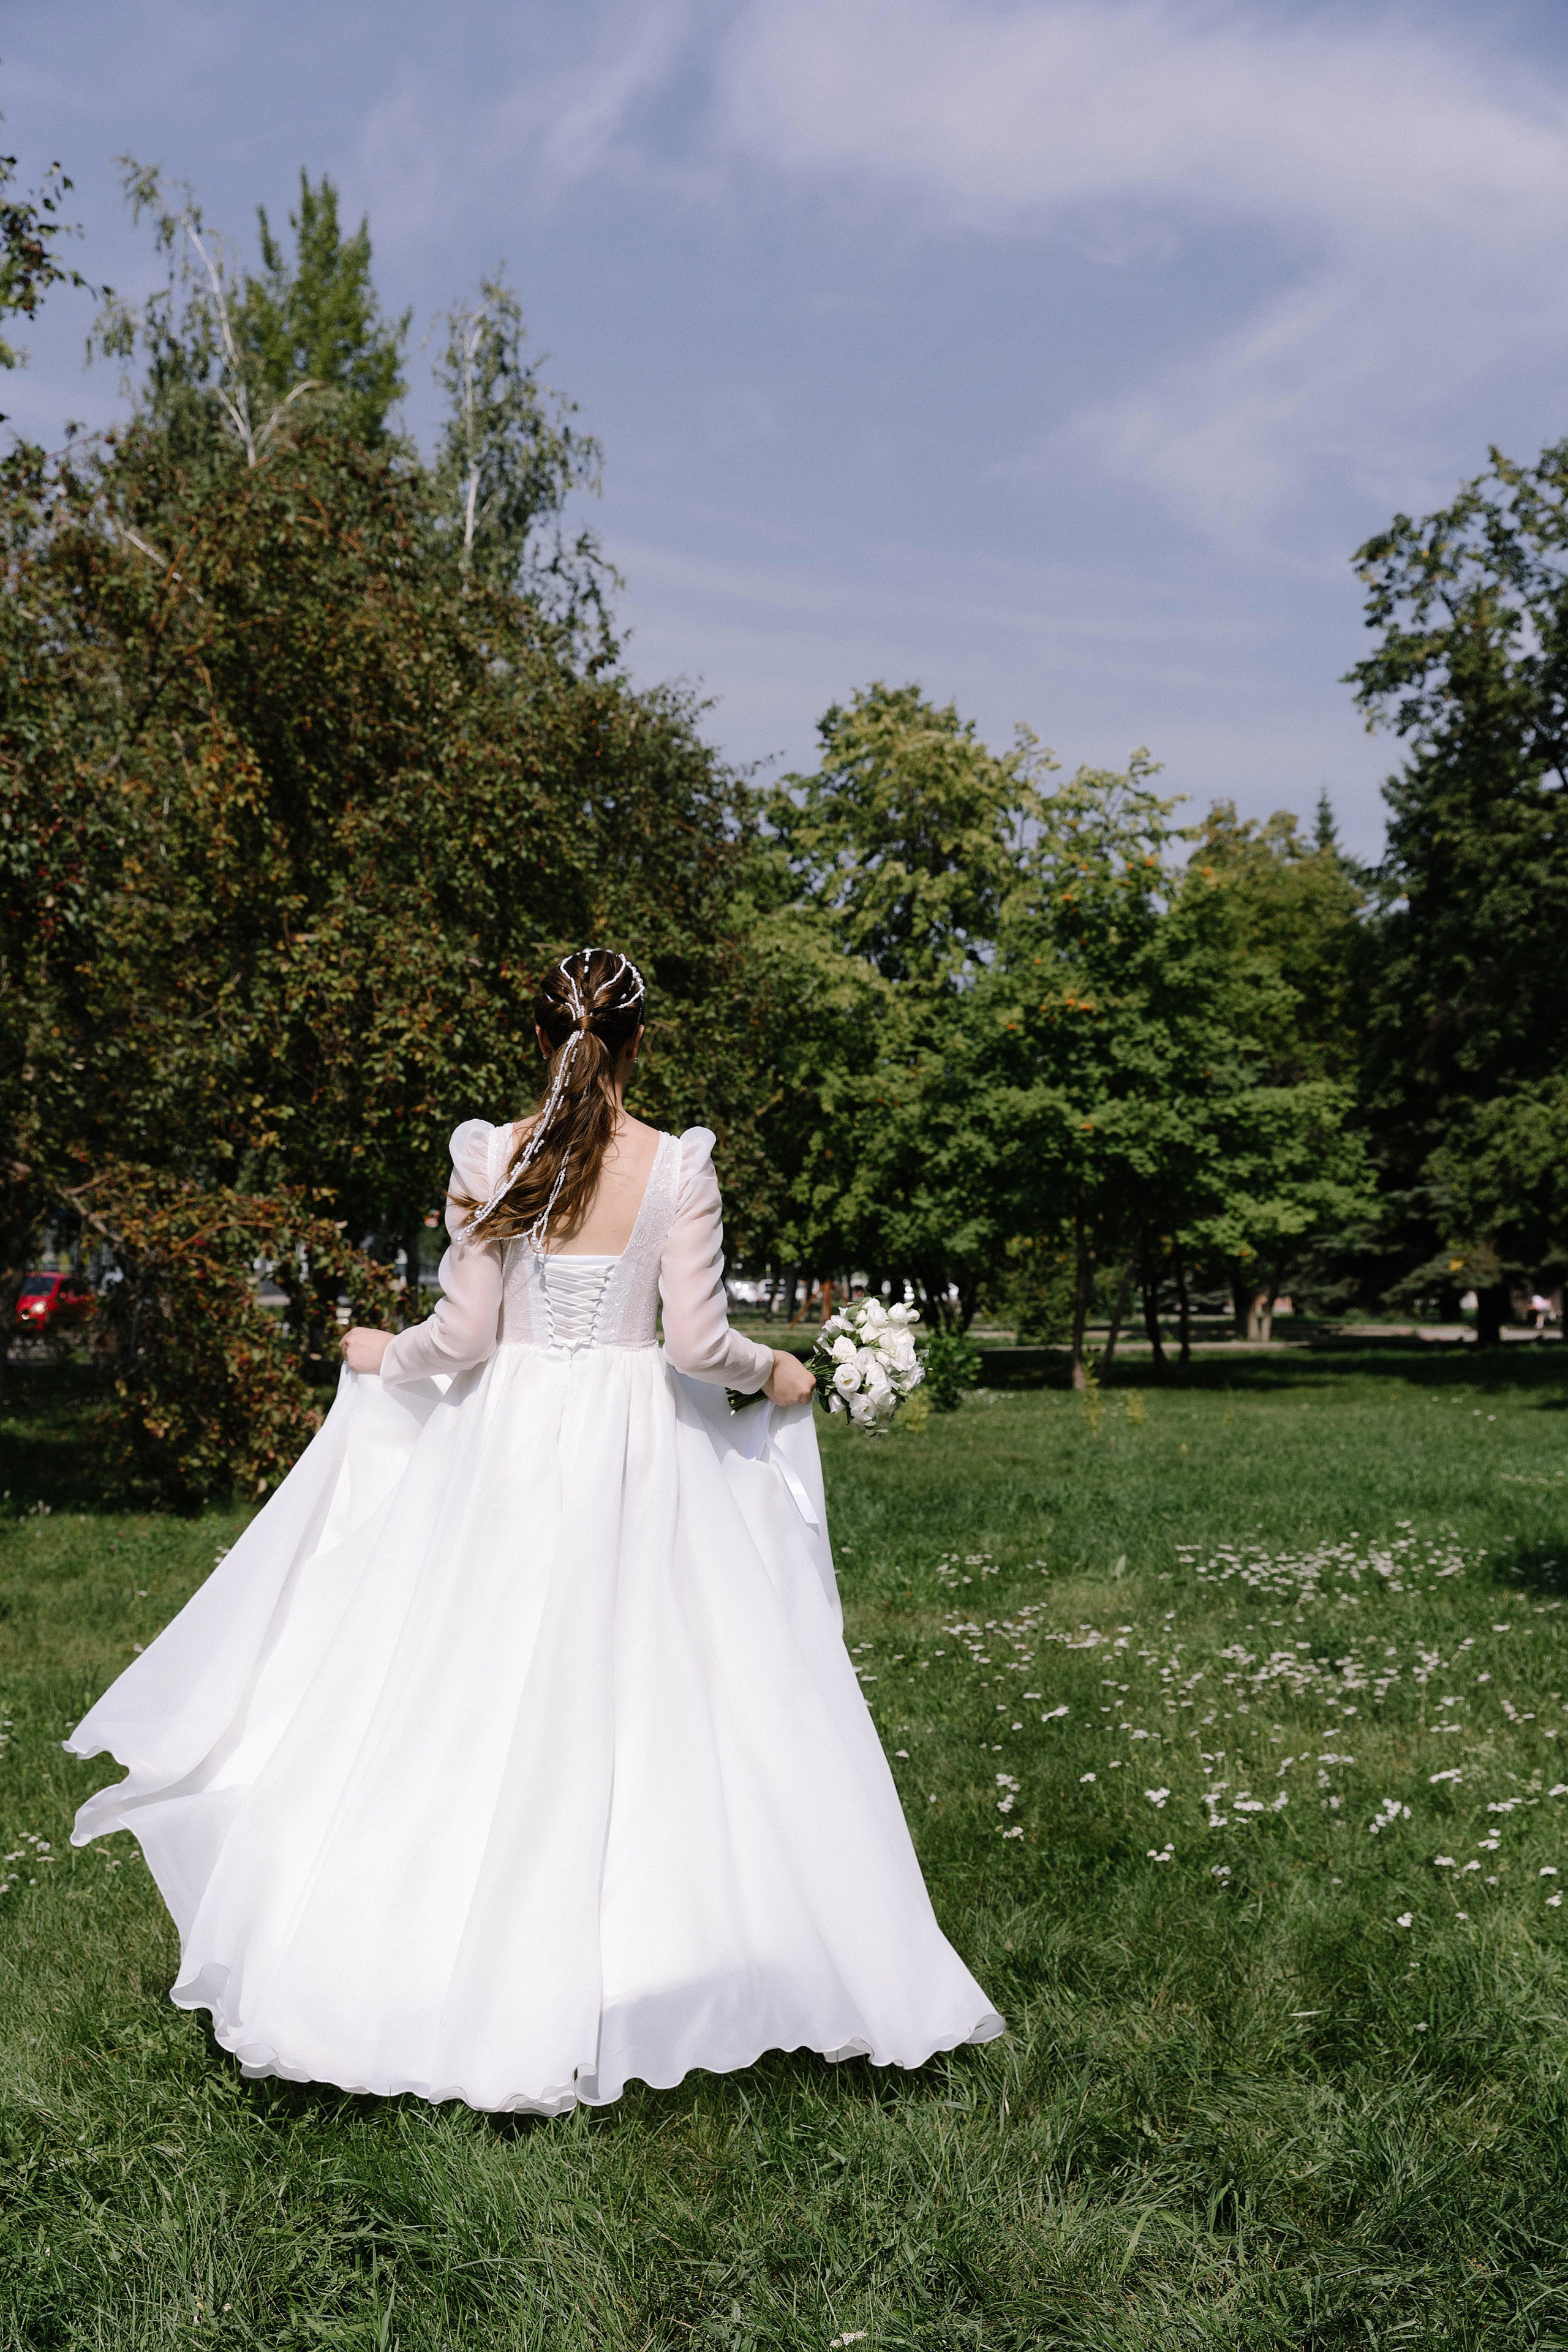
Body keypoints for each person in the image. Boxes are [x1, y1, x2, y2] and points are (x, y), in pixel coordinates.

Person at [66, 949, 1001, 2113]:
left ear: (535, 1032)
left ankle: (423, 1960)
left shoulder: (486, 1157)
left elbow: (459, 1341)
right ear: (639, 1041)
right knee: (666, 1694)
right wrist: (784, 1371)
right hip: (633, 1450)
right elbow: (698, 1349)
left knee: (472, 1683)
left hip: (505, 1449)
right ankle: (669, 1956)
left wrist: (377, 1354)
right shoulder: (678, 1166)